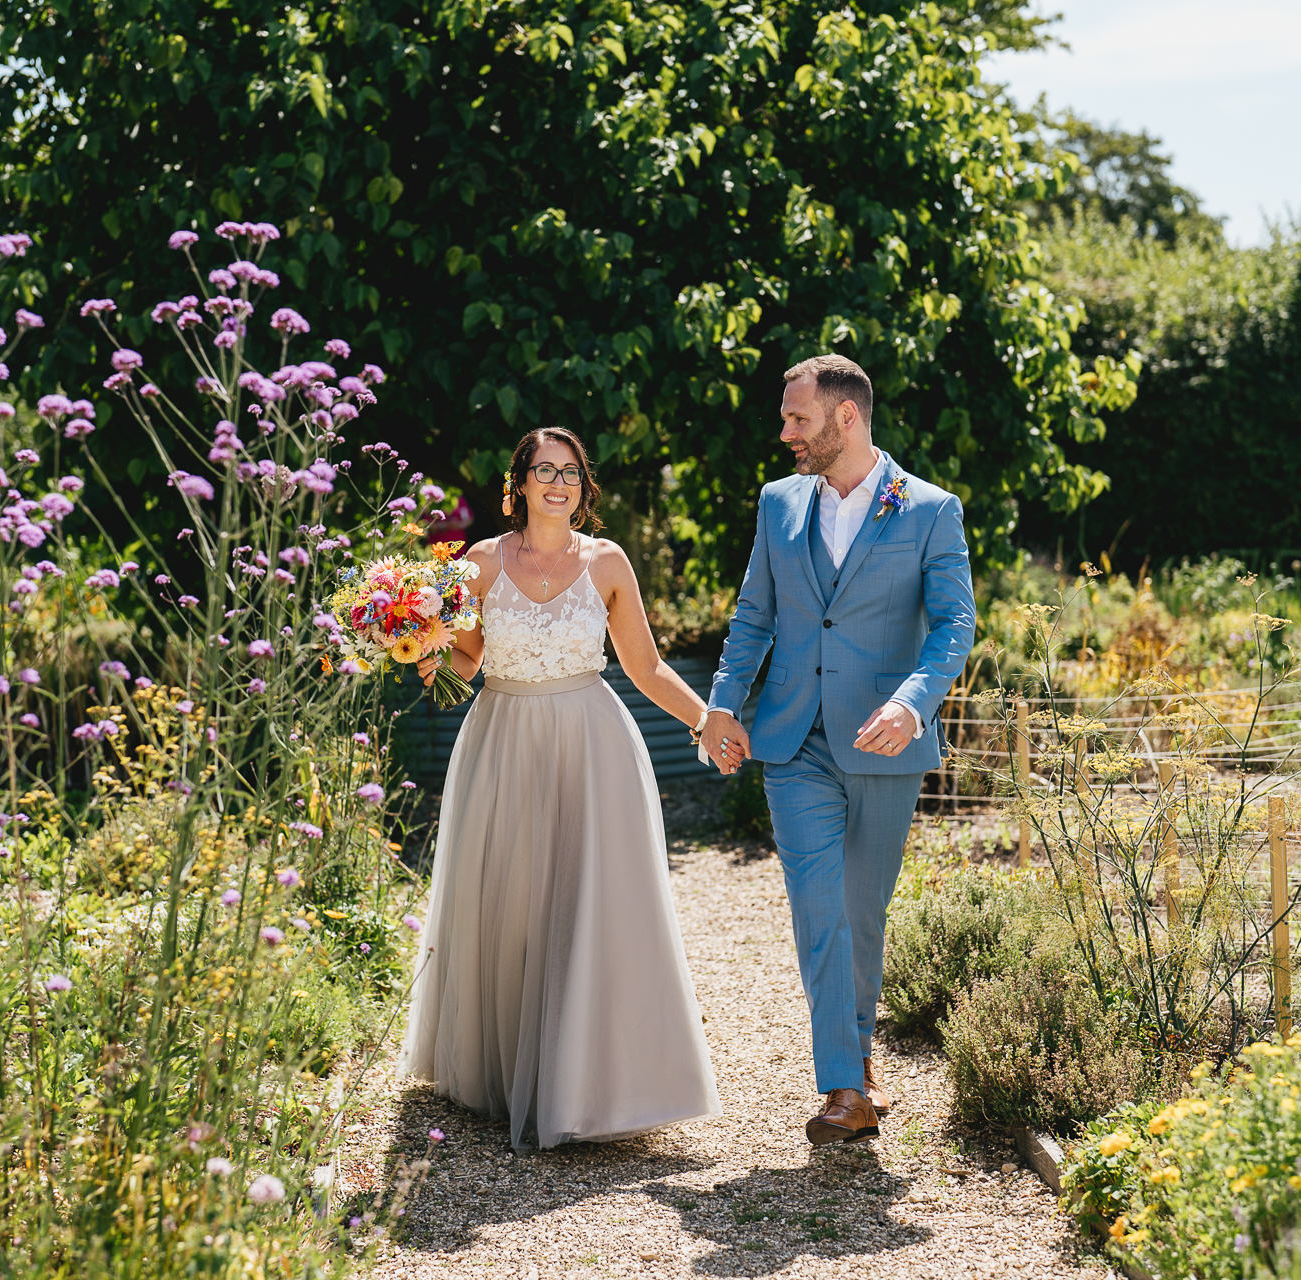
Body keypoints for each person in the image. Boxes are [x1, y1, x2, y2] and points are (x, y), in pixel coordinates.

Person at [398, 427, 721, 1150]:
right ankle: (512, 1073)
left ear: (585, 486)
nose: (557, 482)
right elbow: (466, 660)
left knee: (592, 904)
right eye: (543, 470)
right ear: (517, 484)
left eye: (570, 472)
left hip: (591, 742)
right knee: (512, 903)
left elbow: (644, 666)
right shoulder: (481, 562)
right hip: (503, 739)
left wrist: (704, 720)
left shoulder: (607, 562)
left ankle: (596, 1082)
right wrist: (421, 644)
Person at [700, 354, 975, 1146]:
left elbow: (954, 625)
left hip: (885, 740)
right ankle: (845, 1088)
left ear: (844, 417)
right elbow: (755, 615)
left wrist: (911, 703)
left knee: (862, 909)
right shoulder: (777, 504)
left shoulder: (928, 509)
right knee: (821, 912)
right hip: (794, 742)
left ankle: (858, 1052)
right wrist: (723, 703)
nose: (785, 432)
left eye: (797, 418)